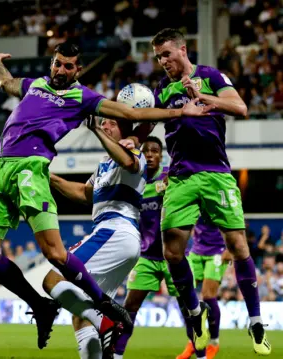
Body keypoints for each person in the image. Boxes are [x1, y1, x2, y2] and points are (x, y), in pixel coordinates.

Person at [0, 42, 212, 349]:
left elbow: (128, 113)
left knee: (56, 267)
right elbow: (6, 82)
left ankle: (109, 314)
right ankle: (52, 309)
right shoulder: (35, 86)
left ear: (78, 69)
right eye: (57, 63)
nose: (61, 69)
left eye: (68, 66)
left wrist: (180, 112)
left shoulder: (86, 101)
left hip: (34, 171)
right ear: (52, 63)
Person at [148, 28, 270, 354]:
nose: (162, 62)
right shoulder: (162, 88)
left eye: (167, 54)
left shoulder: (211, 76)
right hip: (181, 176)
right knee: (172, 252)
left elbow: (240, 107)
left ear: (183, 50)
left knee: (239, 245)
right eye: (158, 57)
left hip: (217, 173)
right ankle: (193, 311)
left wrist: (203, 97)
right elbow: (147, 121)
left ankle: (256, 319)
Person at [41, 115, 146, 359]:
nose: (105, 125)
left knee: (54, 278)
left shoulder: (135, 154)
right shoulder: (104, 163)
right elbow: (84, 193)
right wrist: (50, 177)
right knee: (80, 312)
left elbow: (129, 163)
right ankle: (104, 326)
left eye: (110, 122)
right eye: (103, 122)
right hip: (116, 236)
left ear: (125, 129)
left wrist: (97, 131)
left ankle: (108, 324)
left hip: (115, 231)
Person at [113, 136, 189, 358]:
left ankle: (200, 352)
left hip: (172, 256)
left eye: (155, 151)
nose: (150, 155)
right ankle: (117, 354)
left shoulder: (170, 177)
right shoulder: (134, 182)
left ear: (161, 154)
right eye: (146, 151)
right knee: (130, 307)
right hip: (146, 257)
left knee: (187, 308)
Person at [177, 218, 229, 359]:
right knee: (185, 294)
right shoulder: (194, 198)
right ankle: (192, 341)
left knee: (208, 295)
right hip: (196, 251)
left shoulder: (219, 196)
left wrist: (230, 248)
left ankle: (214, 342)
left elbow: (234, 219)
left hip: (217, 252)